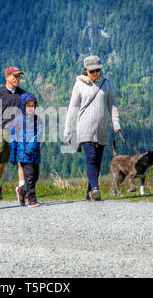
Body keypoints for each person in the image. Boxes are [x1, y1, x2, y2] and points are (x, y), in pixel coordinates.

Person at [64, 55, 121, 201]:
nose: (96, 73)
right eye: (92, 71)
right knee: (91, 158)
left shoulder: (107, 84)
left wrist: (116, 124)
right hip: (85, 128)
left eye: (98, 70)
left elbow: (112, 105)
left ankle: (90, 192)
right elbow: (73, 107)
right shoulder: (79, 85)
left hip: (102, 128)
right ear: (86, 71)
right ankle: (95, 188)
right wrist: (68, 129)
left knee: (97, 161)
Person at [0, 66, 27, 200]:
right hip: (2, 132)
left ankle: (22, 189)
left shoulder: (23, 94)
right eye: (14, 76)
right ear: (7, 77)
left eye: (18, 77)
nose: (17, 79)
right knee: (1, 162)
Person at [10, 93, 43, 207]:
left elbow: (39, 134)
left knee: (35, 177)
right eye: (28, 105)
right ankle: (31, 199)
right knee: (29, 176)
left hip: (34, 153)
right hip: (23, 154)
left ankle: (21, 191)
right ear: (22, 106)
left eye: (32, 105)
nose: (30, 107)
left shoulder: (37, 120)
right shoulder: (18, 120)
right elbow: (13, 138)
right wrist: (13, 155)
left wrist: (31, 145)